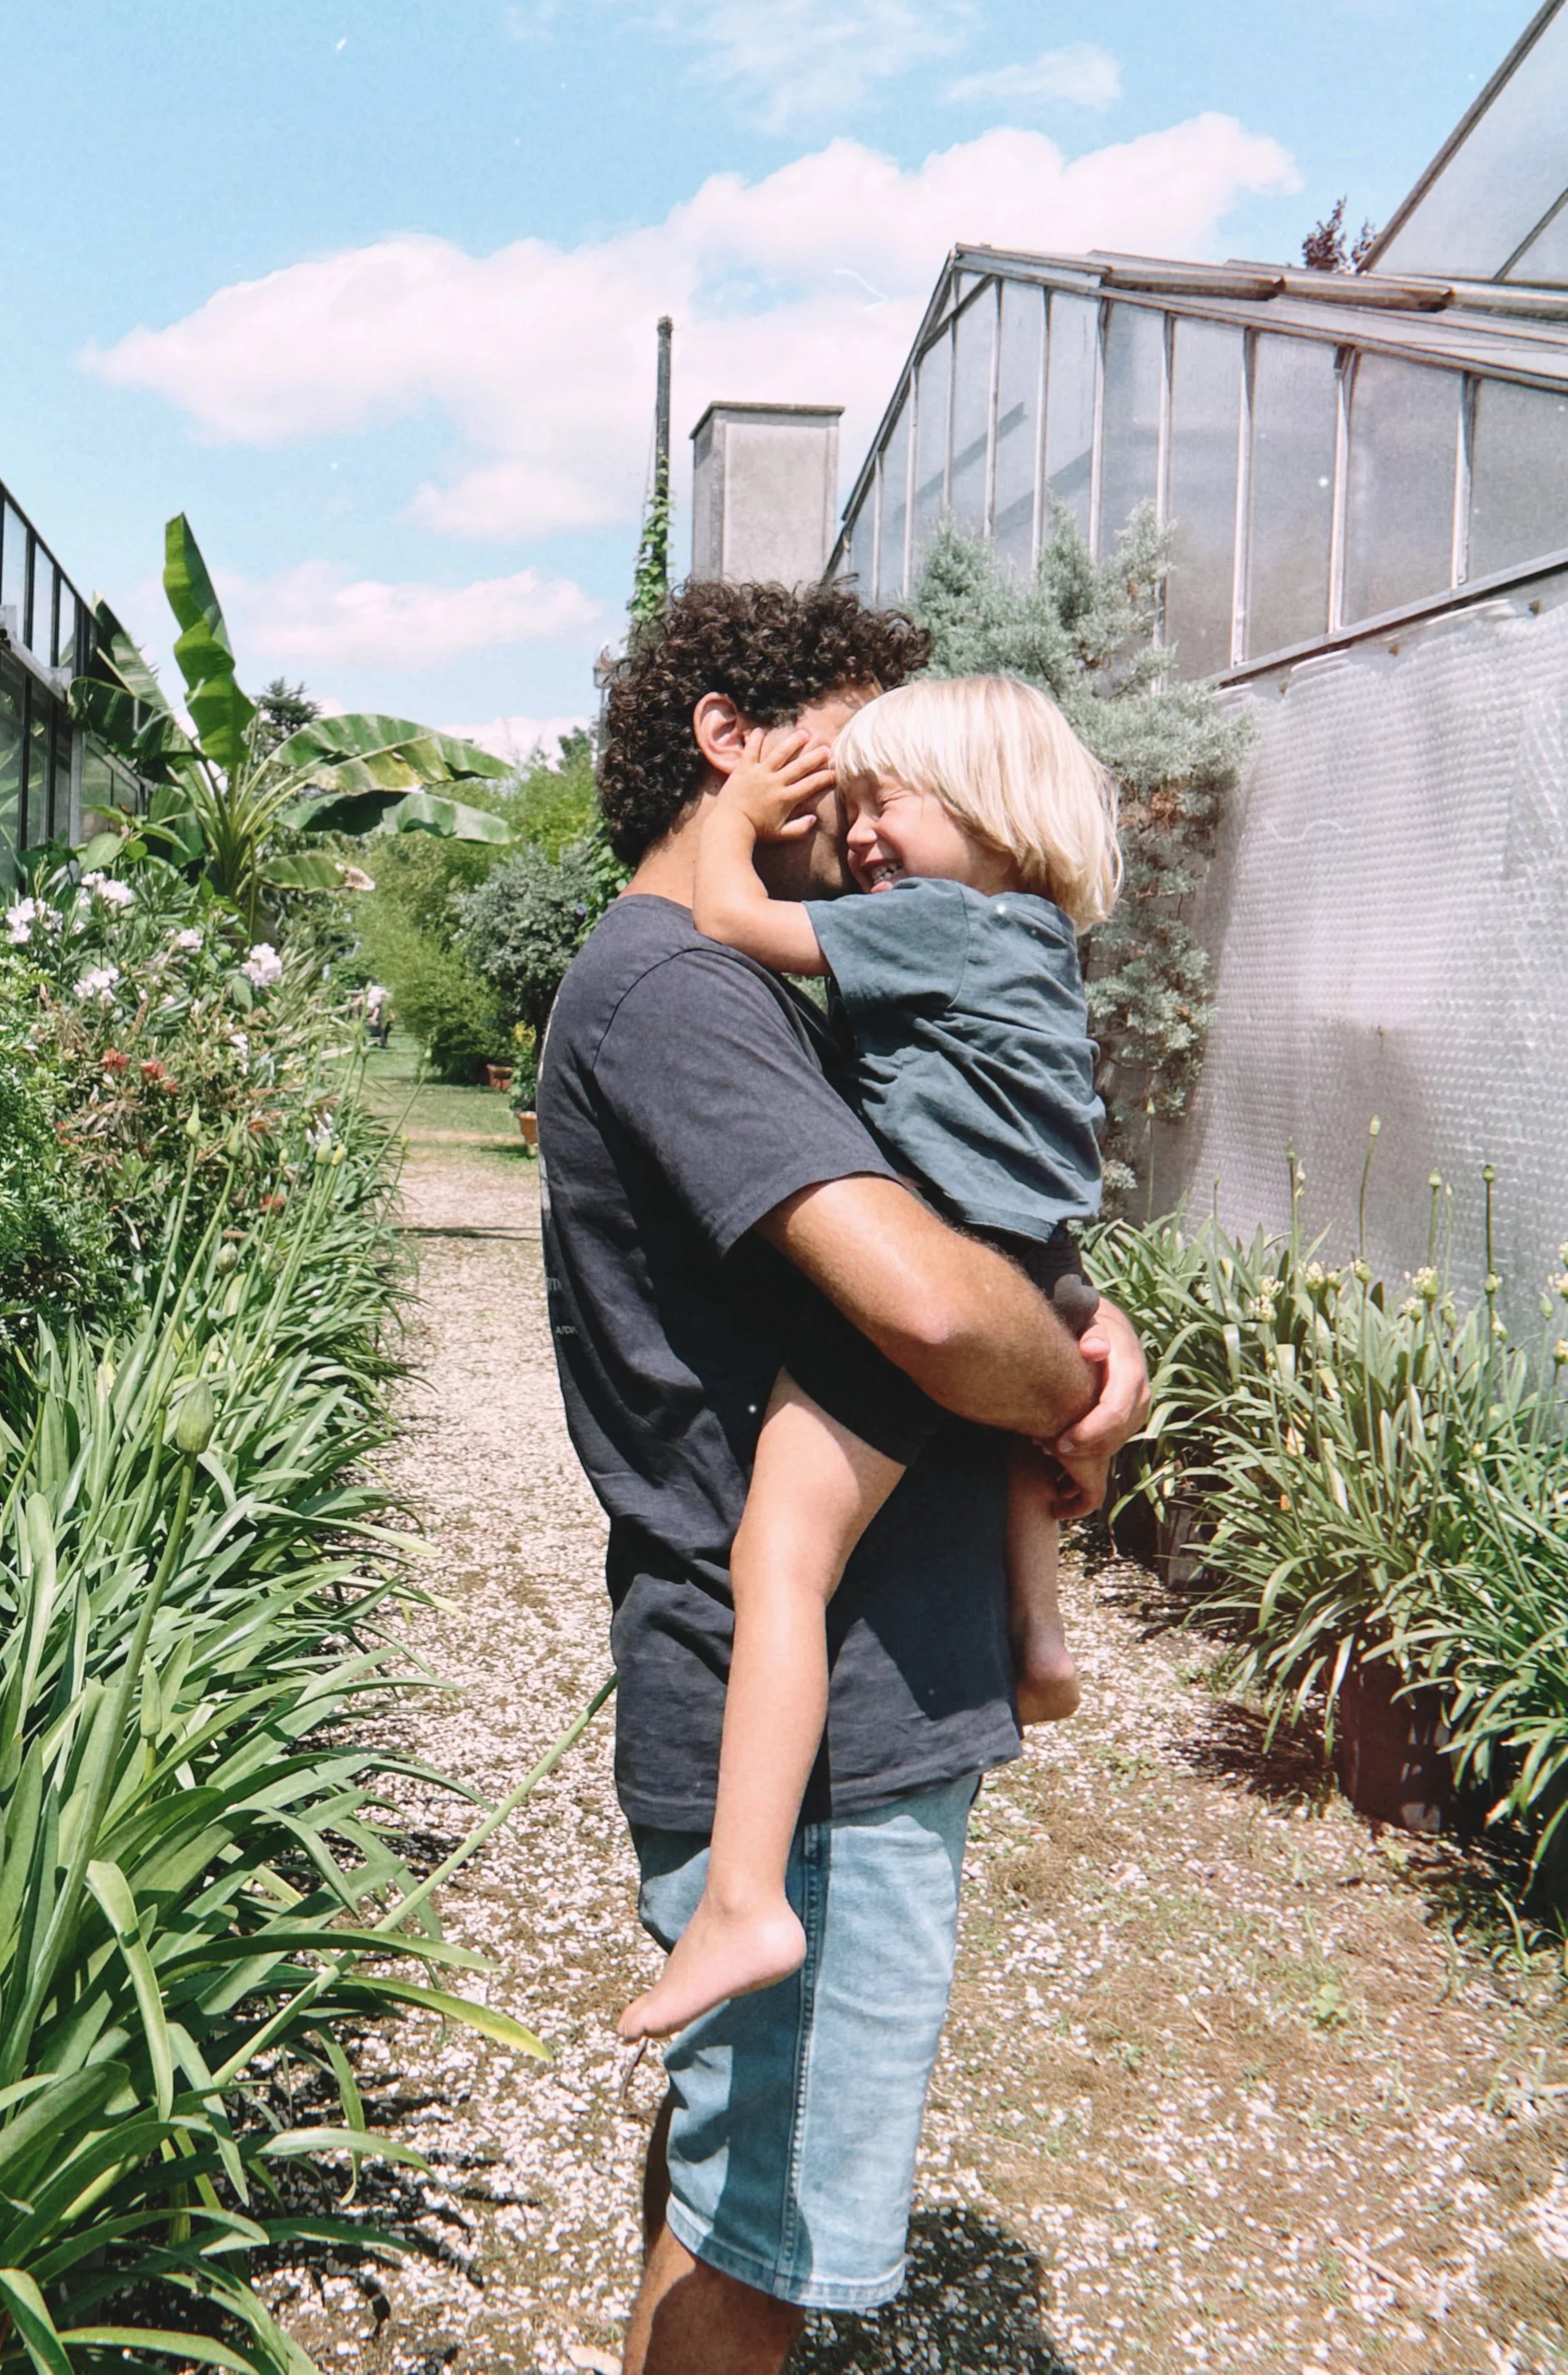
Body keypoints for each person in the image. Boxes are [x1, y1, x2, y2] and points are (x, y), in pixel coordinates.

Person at [535, 580, 1148, 2375]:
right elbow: (930, 1311)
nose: (864, 810)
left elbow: (960, 1221)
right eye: (841, 756)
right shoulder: (674, 987)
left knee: (750, 2195)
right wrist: (1058, 1381)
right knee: (762, 2244)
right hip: (815, 1730)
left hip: (866, 1698)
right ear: (729, 741)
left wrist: (1079, 1325)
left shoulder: (767, 977)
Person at [619, 673, 1122, 2047]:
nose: (861, 835)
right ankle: (1041, 1634)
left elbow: (724, 918)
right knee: (1035, 1448)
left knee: (780, 1558)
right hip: (1025, 1249)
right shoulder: (1036, 941)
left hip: (938, 1269)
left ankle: (742, 1900)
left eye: (883, 801)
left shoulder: (935, 928)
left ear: (988, 815)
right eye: (844, 805)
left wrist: (734, 810)